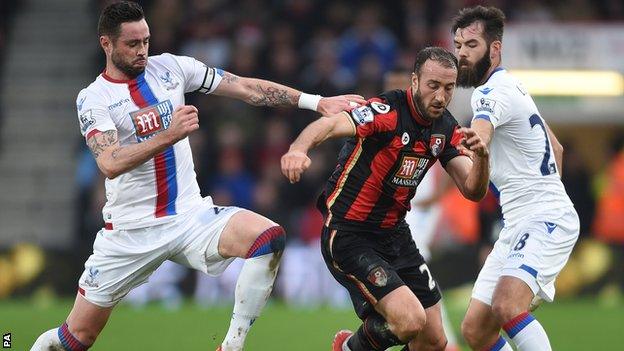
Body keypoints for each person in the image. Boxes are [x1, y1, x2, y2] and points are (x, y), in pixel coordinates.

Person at [30, 2, 365, 351]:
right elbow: (110, 162)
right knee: (76, 338)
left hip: (190, 216)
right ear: (106, 44)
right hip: (131, 232)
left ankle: (231, 346)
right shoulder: (94, 98)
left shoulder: (172, 68)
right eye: (132, 44)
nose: (143, 50)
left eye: (146, 40)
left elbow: (246, 88)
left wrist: (317, 102)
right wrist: (168, 135)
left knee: (268, 239)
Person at [281, 47, 490, 351]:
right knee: (409, 321)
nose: (441, 97)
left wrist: (482, 158)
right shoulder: (386, 111)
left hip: (395, 235)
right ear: (415, 81)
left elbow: (473, 189)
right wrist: (299, 149)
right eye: (433, 86)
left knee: (434, 341)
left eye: (449, 88)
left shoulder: (445, 128)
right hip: (350, 234)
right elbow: (330, 124)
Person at [451, 6, 580, 351]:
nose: (462, 53)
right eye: (458, 45)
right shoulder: (514, 87)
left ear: (495, 49)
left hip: (542, 218)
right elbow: (557, 148)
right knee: (476, 330)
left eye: (472, 45)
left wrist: (478, 139)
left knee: (507, 305)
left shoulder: (490, 92)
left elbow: (482, 130)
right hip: (520, 222)